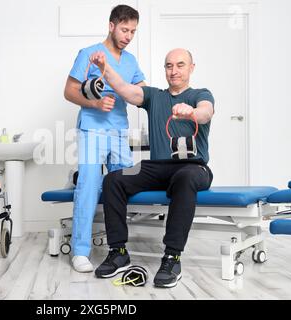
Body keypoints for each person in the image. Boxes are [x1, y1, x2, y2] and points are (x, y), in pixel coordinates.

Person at [90, 48, 215, 287]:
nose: (174, 71)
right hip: (158, 167)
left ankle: (172, 256)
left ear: (191, 68)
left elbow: (205, 112)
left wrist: (191, 112)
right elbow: (126, 89)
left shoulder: (201, 94)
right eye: (169, 66)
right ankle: (118, 252)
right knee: (113, 179)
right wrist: (105, 69)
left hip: (193, 167)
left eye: (180, 65)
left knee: (185, 178)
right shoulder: (154, 96)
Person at [63, 5, 146, 273]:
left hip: (119, 131)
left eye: (133, 31)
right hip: (92, 129)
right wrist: (95, 104)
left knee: (121, 187)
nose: (128, 36)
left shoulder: (131, 61)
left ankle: (117, 249)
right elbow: (69, 91)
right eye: (124, 29)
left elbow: (141, 93)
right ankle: (80, 251)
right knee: (88, 186)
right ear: (111, 26)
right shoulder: (88, 54)